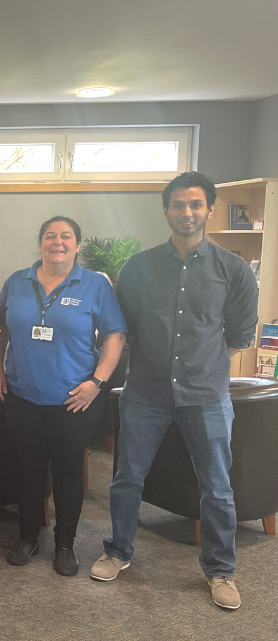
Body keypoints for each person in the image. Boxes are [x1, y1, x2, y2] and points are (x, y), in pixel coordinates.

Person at [92, 172, 258, 610]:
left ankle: (220, 570)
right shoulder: (139, 267)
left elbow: (239, 335)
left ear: (209, 209)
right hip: (145, 392)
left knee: (217, 487)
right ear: (166, 210)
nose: (187, 212)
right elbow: (121, 327)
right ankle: (118, 551)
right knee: (127, 478)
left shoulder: (233, 269)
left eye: (196, 205)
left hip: (207, 396)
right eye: (179, 205)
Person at [0, 216, 127, 576]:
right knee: (28, 470)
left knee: (68, 473)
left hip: (73, 400)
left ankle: (65, 544)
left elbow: (115, 335)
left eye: (66, 236)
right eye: (50, 236)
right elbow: (1, 329)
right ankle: (28, 537)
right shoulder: (16, 282)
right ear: (40, 244)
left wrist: (96, 383)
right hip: (22, 395)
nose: (58, 242)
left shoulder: (95, 285)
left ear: (77, 245)